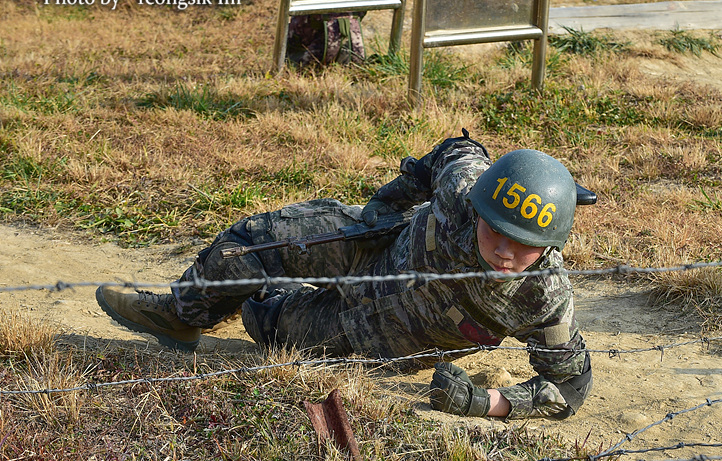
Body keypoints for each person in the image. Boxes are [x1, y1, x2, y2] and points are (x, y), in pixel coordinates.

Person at [95, 132, 592, 420]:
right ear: (478, 207)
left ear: (552, 245)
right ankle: (180, 315)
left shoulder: (544, 297)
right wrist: (389, 199)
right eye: (495, 231)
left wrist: (487, 403)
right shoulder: (463, 190)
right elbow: (448, 153)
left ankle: (274, 299)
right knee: (254, 243)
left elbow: (568, 387)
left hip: (371, 337)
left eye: (523, 243)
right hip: (370, 251)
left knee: (265, 321)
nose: (504, 251)